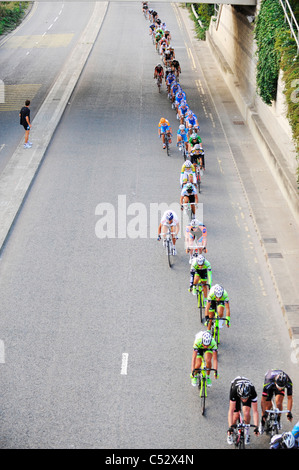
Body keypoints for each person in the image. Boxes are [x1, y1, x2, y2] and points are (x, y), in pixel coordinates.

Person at [227, 376, 259, 445]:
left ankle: (247, 433)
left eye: (246, 398)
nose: (244, 400)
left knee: (246, 413)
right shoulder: (234, 391)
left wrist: (256, 426)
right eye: (243, 398)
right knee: (235, 415)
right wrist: (230, 427)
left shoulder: (252, 391)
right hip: (235, 390)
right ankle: (230, 434)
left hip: (246, 392)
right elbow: (231, 411)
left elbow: (255, 411)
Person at [259, 370, 293, 434]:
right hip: (270, 384)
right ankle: (262, 423)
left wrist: (289, 412)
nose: (280, 388)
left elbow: (290, 398)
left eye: (282, 387)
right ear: (275, 382)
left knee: (279, 403)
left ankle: (278, 419)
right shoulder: (268, 381)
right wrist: (264, 414)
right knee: (268, 405)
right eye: (279, 386)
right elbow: (263, 400)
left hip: (277, 383)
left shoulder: (288, 382)